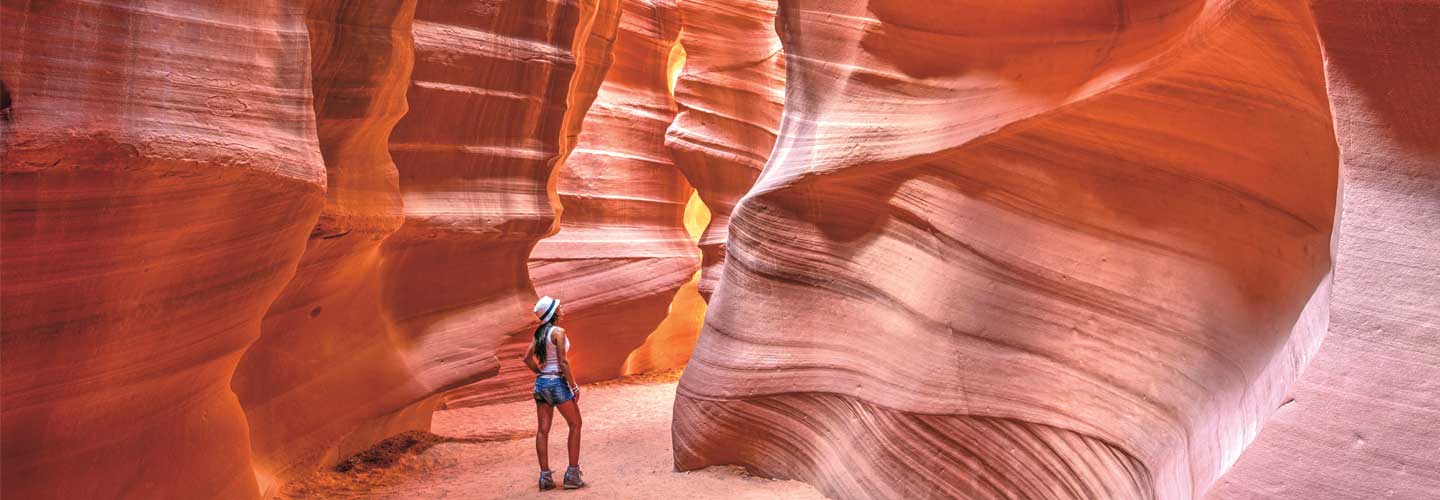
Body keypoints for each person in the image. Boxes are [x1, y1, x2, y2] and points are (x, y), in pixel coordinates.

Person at [523, 295, 585, 491]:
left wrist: (540, 373)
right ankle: (572, 475)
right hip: (557, 383)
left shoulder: (539, 333)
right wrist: (573, 386)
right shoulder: (558, 332)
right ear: (553, 313)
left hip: (541, 384)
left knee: (543, 430)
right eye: (559, 307)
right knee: (575, 424)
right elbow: (563, 362)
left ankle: (545, 478)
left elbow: (527, 358)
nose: (562, 308)